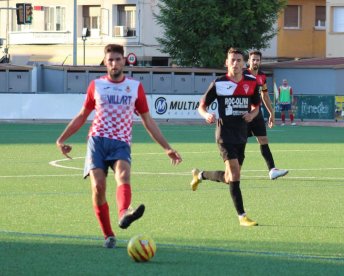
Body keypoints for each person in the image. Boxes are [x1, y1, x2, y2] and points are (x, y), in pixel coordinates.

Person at [56, 44, 182, 248]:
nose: (114, 63)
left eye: (117, 59)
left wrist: (167, 147)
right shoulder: (96, 85)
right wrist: (61, 139)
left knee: (123, 175)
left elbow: (148, 121)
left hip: (121, 142)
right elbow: (82, 116)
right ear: (105, 63)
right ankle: (108, 234)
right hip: (97, 141)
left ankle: (125, 213)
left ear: (124, 60)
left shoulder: (135, 87)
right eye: (110, 60)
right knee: (98, 187)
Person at [190, 48, 261, 227]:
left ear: (244, 64)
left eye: (238, 60)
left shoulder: (252, 82)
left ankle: (200, 175)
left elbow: (256, 106)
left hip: (241, 134)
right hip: (224, 135)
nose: (235, 63)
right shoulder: (219, 83)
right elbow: (201, 106)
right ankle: (242, 216)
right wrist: (206, 115)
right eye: (232, 60)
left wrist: (252, 116)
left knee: (230, 178)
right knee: (236, 174)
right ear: (226, 63)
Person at [243, 50, 288, 180]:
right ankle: (233, 169)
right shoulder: (243, 74)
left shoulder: (262, 77)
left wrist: (271, 113)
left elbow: (265, 95)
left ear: (260, 61)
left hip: (256, 113)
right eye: (253, 59)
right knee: (240, 142)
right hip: (243, 114)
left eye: (258, 59)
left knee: (263, 139)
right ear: (249, 61)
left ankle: (272, 170)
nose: (255, 62)